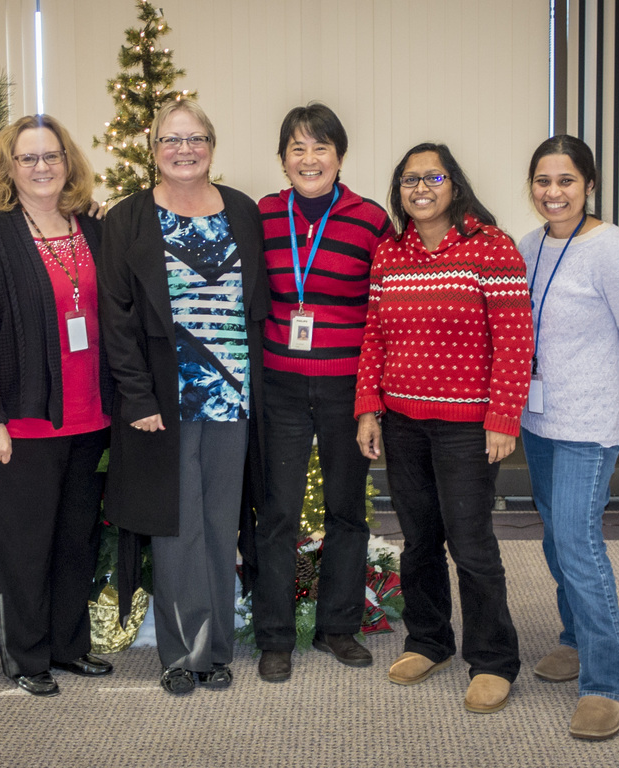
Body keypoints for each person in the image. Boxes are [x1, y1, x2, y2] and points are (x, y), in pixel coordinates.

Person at [354, 142, 533, 714]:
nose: (421, 189)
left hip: (467, 427)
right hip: (403, 423)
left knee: (472, 546)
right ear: (398, 190)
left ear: (454, 183)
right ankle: (429, 641)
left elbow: (515, 339)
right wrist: (367, 407)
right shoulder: (389, 252)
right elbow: (373, 335)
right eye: (410, 180)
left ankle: (493, 659)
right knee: (419, 541)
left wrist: (503, 416)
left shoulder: (491, 246)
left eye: (433, 177)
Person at [98, 99, 269, 696]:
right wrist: (137, 396)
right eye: (171, 140)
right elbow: (116, 318)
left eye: (195, 138)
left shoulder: (242, 211)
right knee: (176, 529)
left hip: (234, 398)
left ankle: (216, 650)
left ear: (212, 146)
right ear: (154, 150)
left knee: (220, 525)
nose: (184, 150)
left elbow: (260, 303)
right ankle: (181, 653)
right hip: (164, 404)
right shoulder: (128, 219)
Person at [0, 114, 115, 698]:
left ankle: (68, 646)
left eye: (52, 156)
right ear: (9, 167)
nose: (42, 167)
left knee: (76, 541)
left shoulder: (92, 229)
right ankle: (26, 655)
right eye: (28, 158)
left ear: (68, 162)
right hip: (22, 423)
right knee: (22, 547)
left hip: (91, 418)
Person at [517, 135, 619, 740]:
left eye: (566, 181)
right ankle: (574, 638)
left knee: (578, 543)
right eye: (543, 181)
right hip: (539, 420)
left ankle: (608, 683)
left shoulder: (611, 248)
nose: (554, 193)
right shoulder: (528, 246)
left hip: (591, 423)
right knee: (557, 539)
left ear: (589, 185)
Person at [252, 103, 393, 683]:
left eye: (321, 148)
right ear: (283, 158)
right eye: (297, 148)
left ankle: (339, 627)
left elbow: (381, 315)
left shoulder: (371, 220)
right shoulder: (262, 215)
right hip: (279, 385)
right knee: (277, 512)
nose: (309, 159)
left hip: (344, 386)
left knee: (346, 510)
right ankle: (275, 637)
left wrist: (371, 401)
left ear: (340, 156)